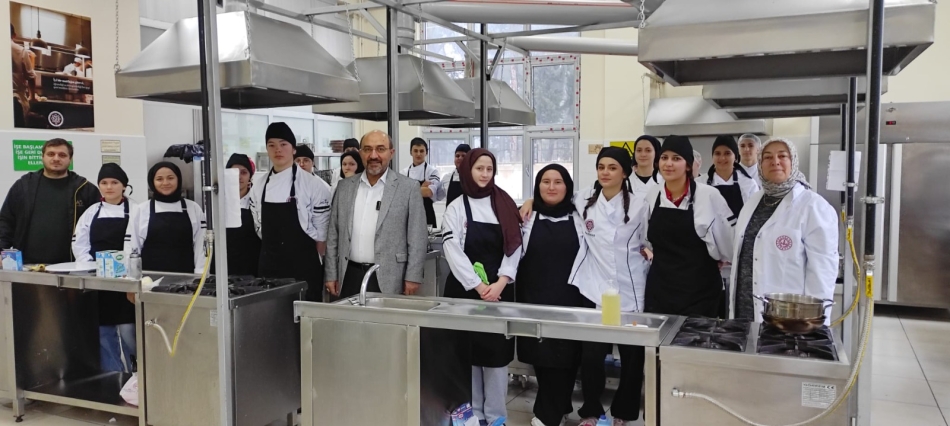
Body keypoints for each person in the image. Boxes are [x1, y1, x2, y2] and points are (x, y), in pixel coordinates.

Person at [569, 147, 650, 426]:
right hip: (597, 288)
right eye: (601, 166)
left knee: (632, 356)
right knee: (591, 356)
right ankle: (591, 411)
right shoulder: (584, 200)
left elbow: (649, 239)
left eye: (612, 167)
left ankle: (623, 413)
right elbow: (552, 199)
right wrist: (530, 200)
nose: (605, 172)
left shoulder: (640, 204)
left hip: (631, 288)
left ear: (625, 172)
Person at [442, 149, 522, 426]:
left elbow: (514, 245)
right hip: (464, 291)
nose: (485, 174)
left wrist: (500, 282)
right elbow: (452, 249)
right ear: (468, 170)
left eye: (489, 169)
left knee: (496, 356)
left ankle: (496, 416)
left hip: (499, 291)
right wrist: (478, 286)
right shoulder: (456, 207)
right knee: (468, 354)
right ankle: (472, 416)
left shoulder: (504, 203)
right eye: (479, 168)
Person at [729, 138, 838, 322]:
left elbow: (822, 274)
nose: (775, 162)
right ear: (760, 164)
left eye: (782, 156)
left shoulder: (813, 207)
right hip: (744, 314)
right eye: (767, 157)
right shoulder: (752, 202)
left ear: (793, 161)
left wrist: (815, 324)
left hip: (790, 318)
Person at [516, 164, 586, 426]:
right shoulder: (527, 217)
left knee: (566, 357)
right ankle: (560, 406)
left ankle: (547, 416)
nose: (552, 187)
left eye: (558, 182)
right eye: (545, 182)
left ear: (568, 187)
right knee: (541, 356)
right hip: (534, 296)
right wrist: (529, 201)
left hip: (570, 297)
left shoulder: (580, 215)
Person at [325, 130, 428, 299]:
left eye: (380, 149)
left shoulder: (408, 188)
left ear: (391, 153)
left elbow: (418, 237)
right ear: (361, 153)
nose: (373, 155)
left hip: (390, 277)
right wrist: (331, 274)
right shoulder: (344, 187)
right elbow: (333, 235)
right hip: (348, 275)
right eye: (367, 149)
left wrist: (413, 276)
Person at [642, 136, 734, 318]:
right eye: (664, 157)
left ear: (689, 165)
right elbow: (646, 237)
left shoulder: (709, 196)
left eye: (676, 158)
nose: (668, 164)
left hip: (699, 292)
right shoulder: (653, 194)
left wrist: (721, 258)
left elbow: (728, 242)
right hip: (660, 289)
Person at [250, 122, 331, 302]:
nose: (278, 150)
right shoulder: (259, 185)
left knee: (304, 316)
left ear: (293, 149)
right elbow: (258, 225)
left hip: (303, 267)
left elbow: (322, 232)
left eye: (283, 144)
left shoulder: (313, 185)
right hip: (269, 267)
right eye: (272, 145)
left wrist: (315, 261)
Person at [72, 163, 136, 373]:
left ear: (124, 186)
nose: (109, 187)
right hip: (99, 281)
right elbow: (79, 243)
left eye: (114, 182)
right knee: (103, 332)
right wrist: (91, 268)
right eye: (104, 182)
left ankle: (136, 376)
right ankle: (113, 376)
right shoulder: (91, 212)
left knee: (129, 330)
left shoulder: (137, 210)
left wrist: (129, 271)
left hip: (127, 282)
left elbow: (139, 244)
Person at [0, 138, 100, 264]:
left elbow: (98, 228)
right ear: (42, 157)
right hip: (27, 265)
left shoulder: (85, 189)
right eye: (51, 154)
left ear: (70, 159)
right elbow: (6, 220)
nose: (56, 158)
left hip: (73, 265)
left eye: (62, 155)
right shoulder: (24, 186)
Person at [126, 162, 206, 273]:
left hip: (187, 277)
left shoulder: (193, 208)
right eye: (159, 179)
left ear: (178, 179)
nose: (165, 183)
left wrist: (200, 274)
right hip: (149, 278)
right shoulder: (141, 209)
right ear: (152, 182)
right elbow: (133, 246)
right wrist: (133, 276)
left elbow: (201, 245)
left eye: (170, 178)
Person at [219, 153, 261, 276]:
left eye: (243, 172)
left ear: (250, 177)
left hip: (251, 268)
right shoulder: (217, 202)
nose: (239, 177)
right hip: (222, 267)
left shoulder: (257, 202)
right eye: (234, 172)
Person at [706, 135, 760, 217]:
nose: (722, 158)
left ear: (735, 157)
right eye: (717, 153)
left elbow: (754, 216)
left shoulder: (748, 184)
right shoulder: (700, 183)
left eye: (727, 153)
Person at [402, 138, 445, 228]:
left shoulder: (432, 171)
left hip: (426, 214)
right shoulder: (403, 173)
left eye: (421, 151)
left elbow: (428, 192)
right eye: (415, 151)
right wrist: (421, 187)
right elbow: (400, 194)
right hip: (408, 214)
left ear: (426, 153)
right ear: (410, 152)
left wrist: (408, 189)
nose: (418, 154)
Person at [11, 24, 36, 127]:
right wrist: (32, 96)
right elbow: (30, 77)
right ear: (14, 35)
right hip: (16, 100)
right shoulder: (20, 50)